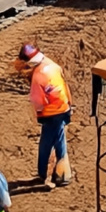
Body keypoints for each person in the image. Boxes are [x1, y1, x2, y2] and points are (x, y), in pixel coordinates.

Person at [15, 43, 73, 187]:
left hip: (50, 113)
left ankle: (51, 174)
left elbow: (37, 100)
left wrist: (39, 113)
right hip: (64, 107)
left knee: (49, 143)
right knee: (58, 140)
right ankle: (61, 174)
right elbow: (65, 85)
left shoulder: (38, 76)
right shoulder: (53, 65)